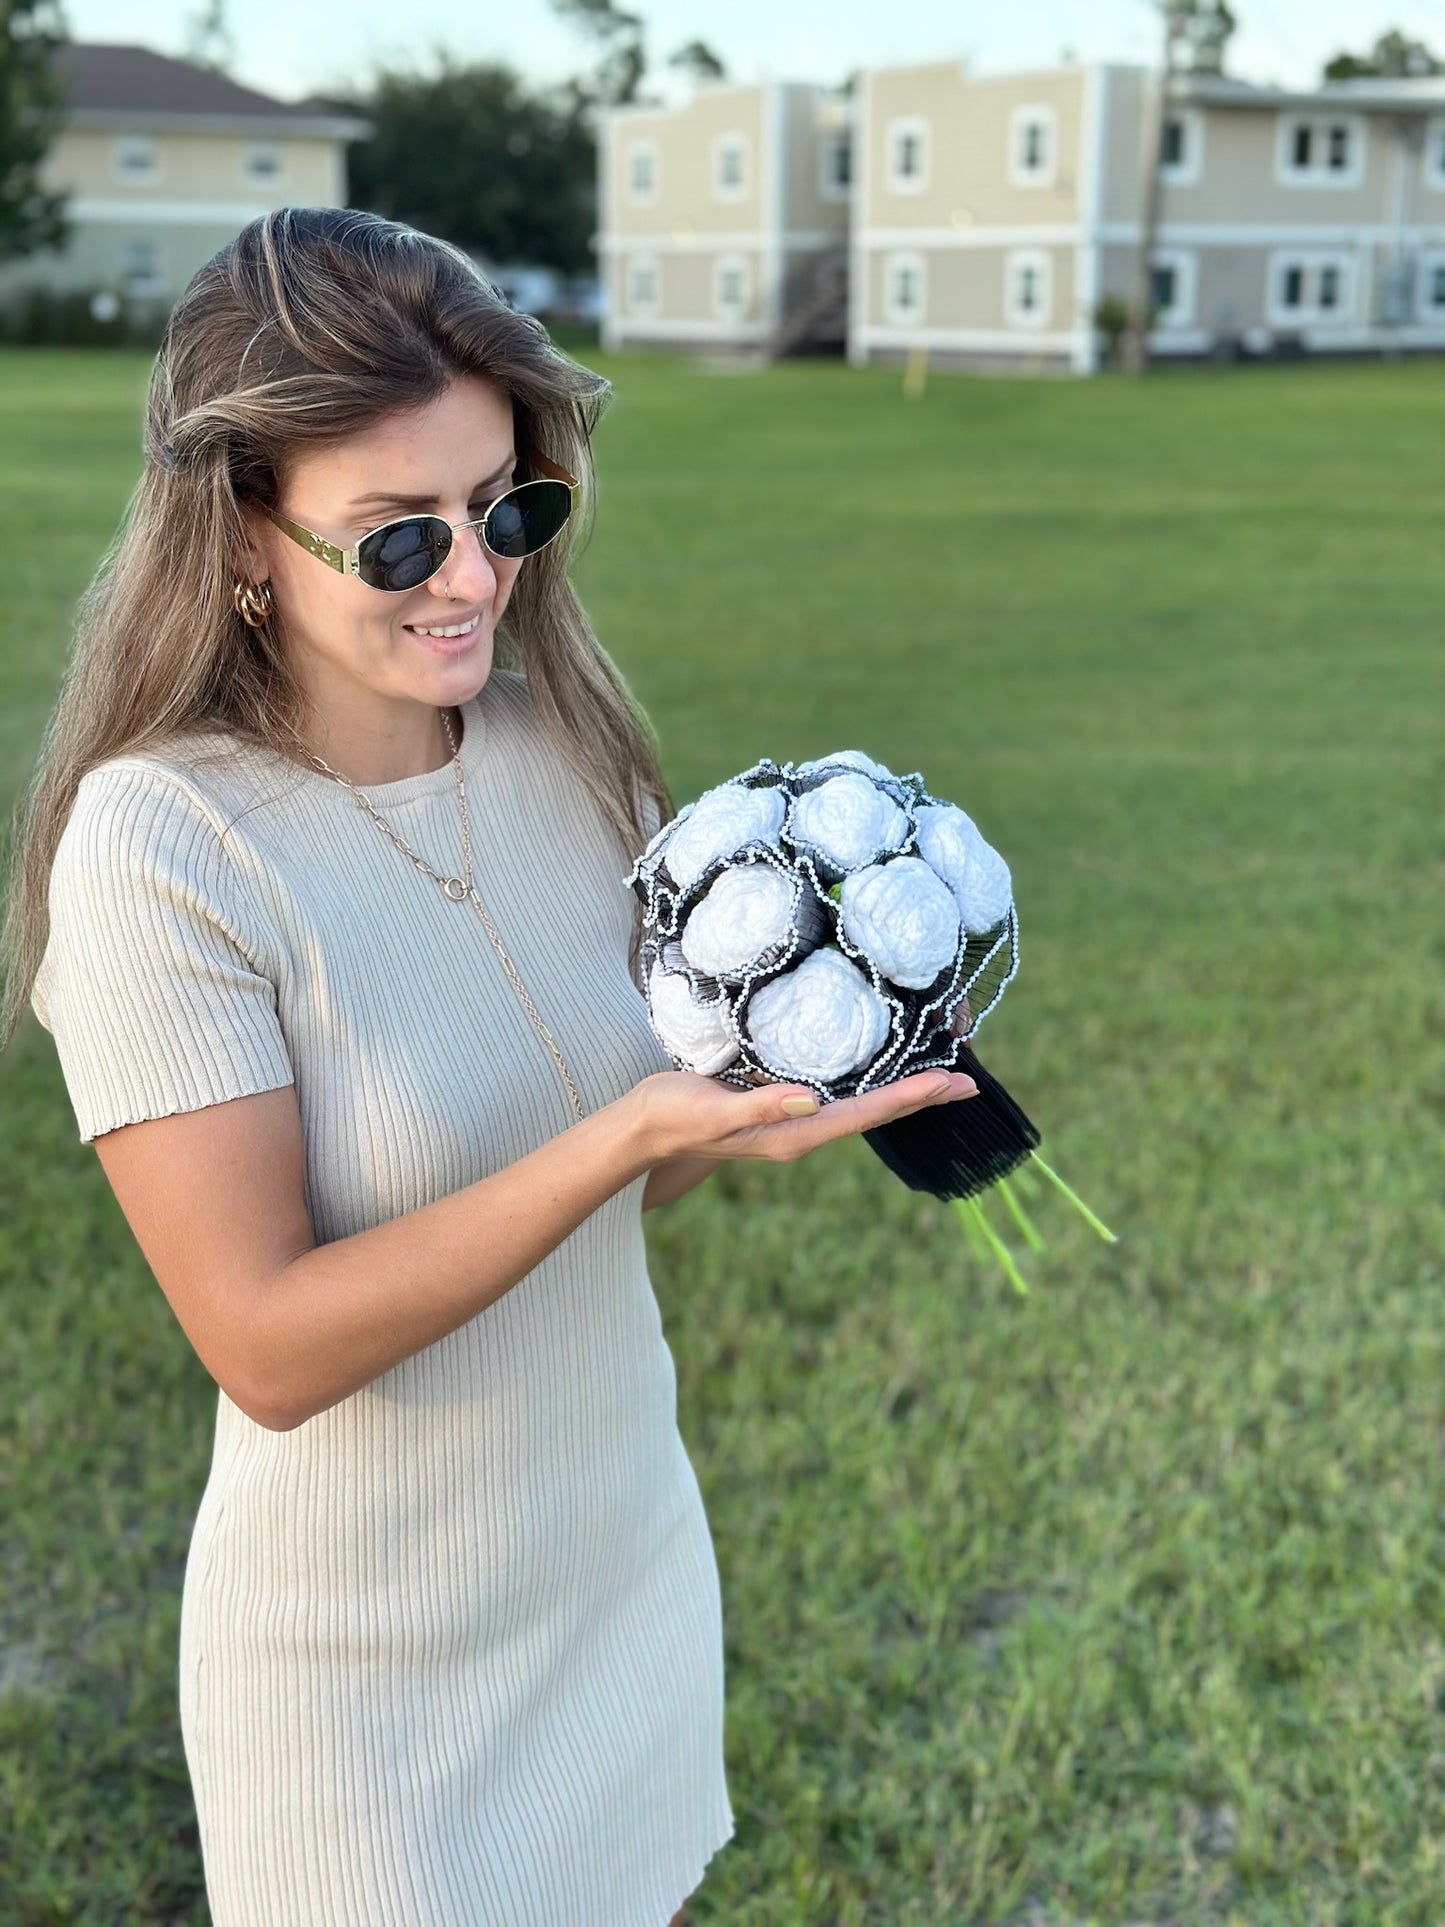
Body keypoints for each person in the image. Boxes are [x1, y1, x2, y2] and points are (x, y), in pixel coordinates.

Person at [3, 207, 977, 1926]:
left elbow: (629, 1143)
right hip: (373, 1696)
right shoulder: (161, 846)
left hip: (617, 1575)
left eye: (505, 508)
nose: (473, 577)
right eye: (397, 540)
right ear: (241, 532)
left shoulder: (561, 748)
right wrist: (623, 1143)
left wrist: (735, 1118)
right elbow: (267, 1344)